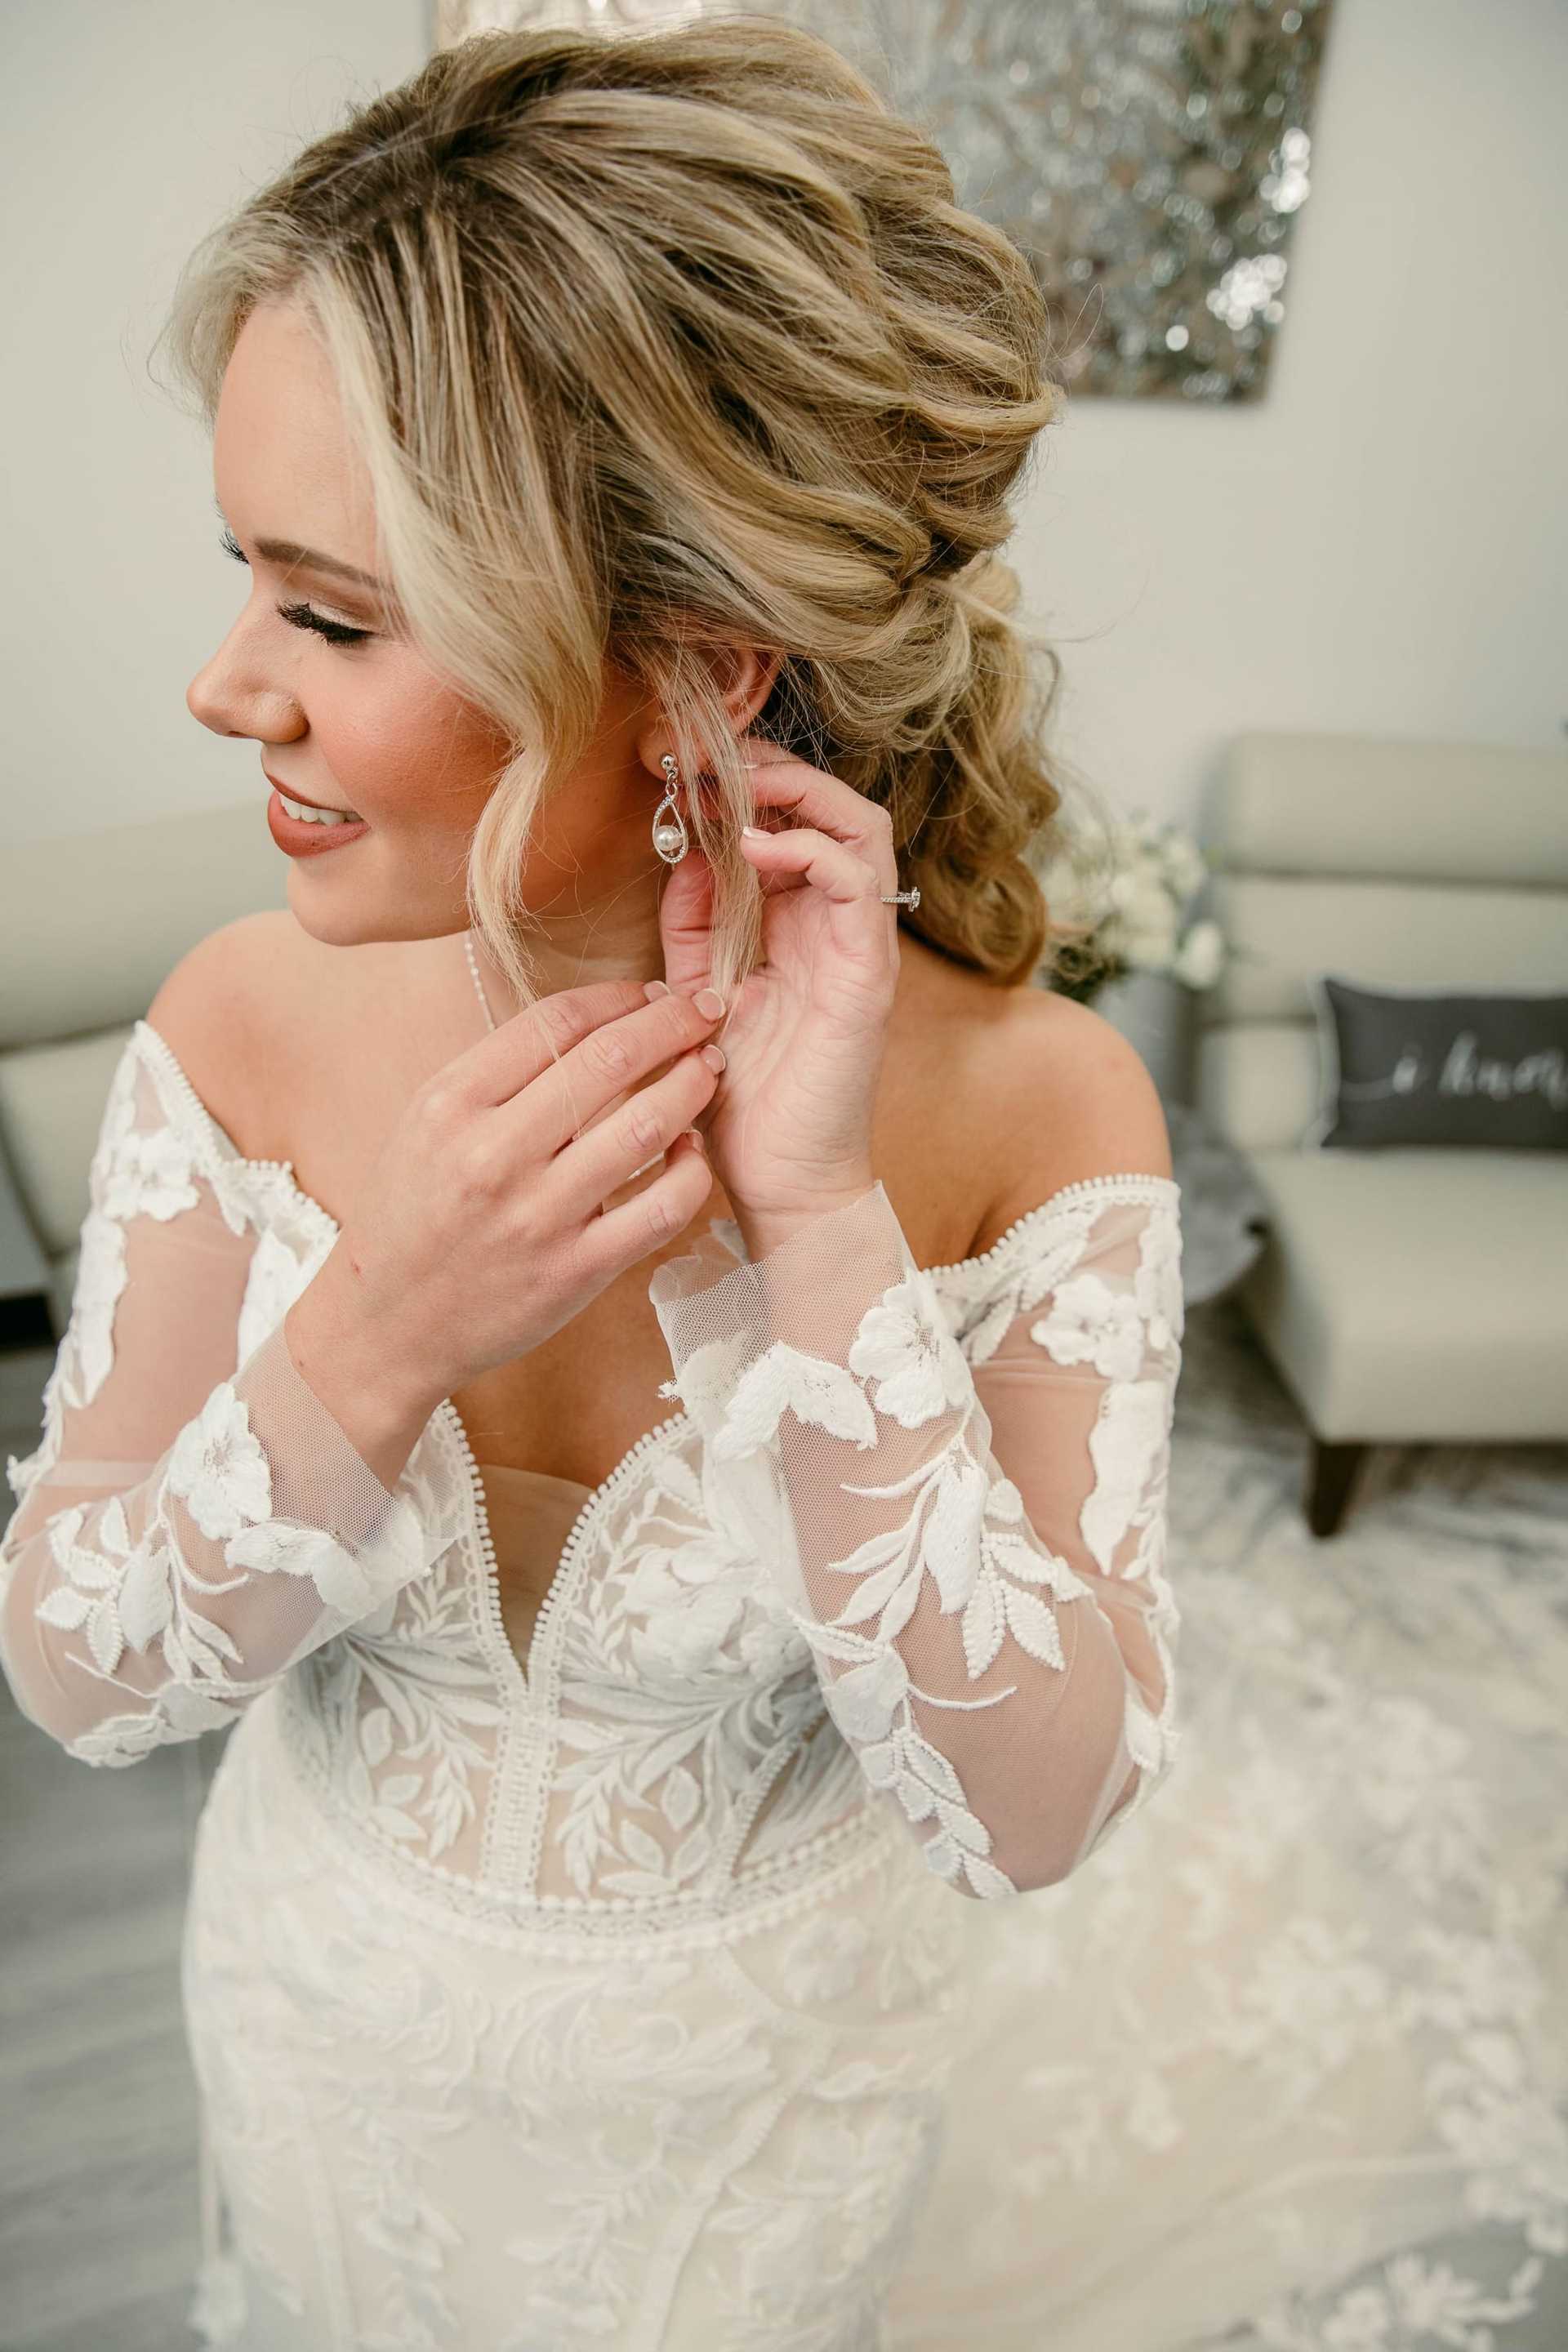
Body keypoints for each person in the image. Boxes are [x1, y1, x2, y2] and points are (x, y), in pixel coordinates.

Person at [0, 19, 1186, 2348]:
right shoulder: (240, 1024)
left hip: (744, 2168)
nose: (227, 686)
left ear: (699, 672)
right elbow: (75, 1679)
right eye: (250, 578)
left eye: (334, 615)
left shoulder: (1042, 1114)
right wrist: (380, 1331)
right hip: (316, 2056)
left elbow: (1033, 1821)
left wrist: (820, 1235)